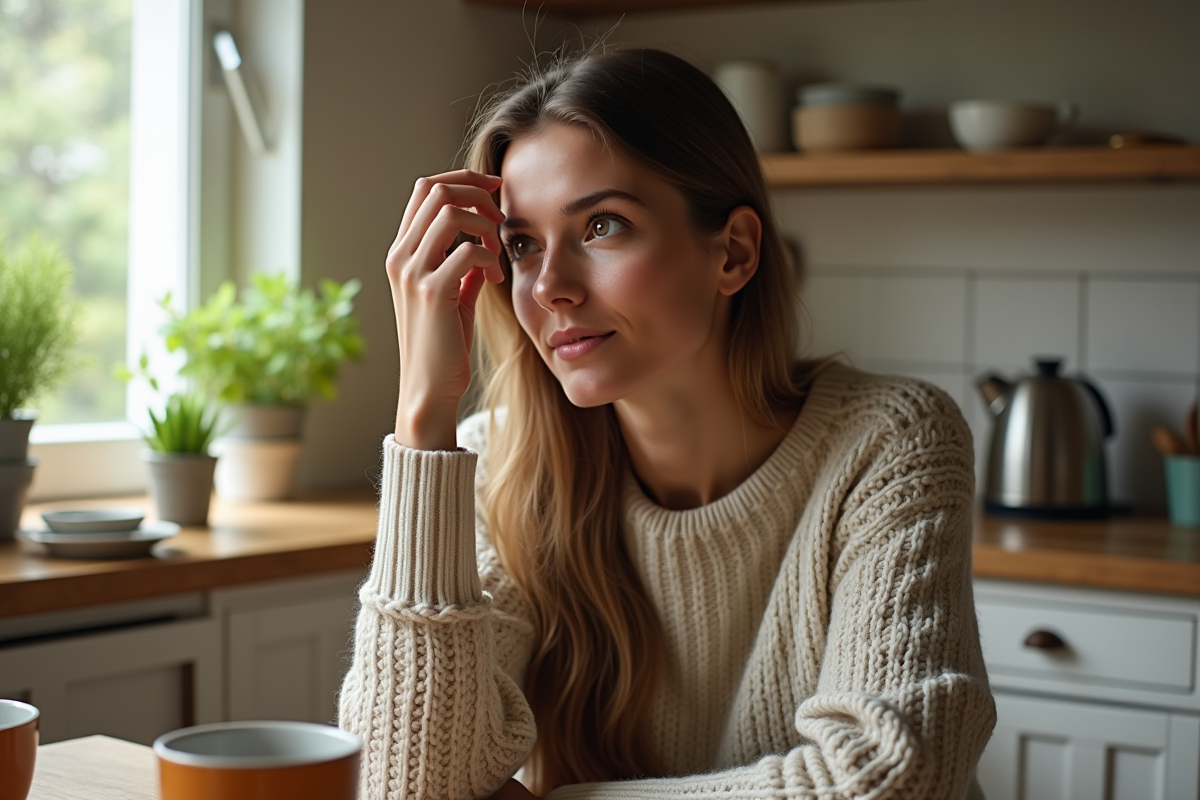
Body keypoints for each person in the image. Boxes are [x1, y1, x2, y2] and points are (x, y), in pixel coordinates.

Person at [338, 46, 996, 800]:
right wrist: (423, 418)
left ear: (734, 252)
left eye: (603, 226)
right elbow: (403, 783)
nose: (549, 287)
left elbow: (889, 782)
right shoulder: (501, 461)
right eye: (521, 244)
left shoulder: (890, 441)